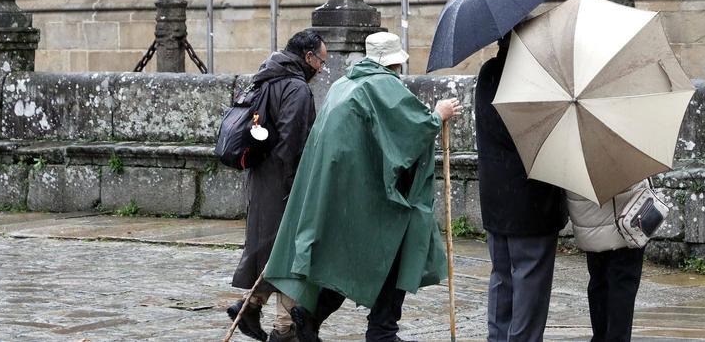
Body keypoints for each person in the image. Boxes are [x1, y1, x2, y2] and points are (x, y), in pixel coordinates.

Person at [263, 31, 463, 342]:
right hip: (369, 195)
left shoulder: (344, 84)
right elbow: (412, 129)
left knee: (346, 258)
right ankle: (382, 330)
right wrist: (439, 115)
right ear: (394, 64)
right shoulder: (383, 86)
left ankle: (310, 315)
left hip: (340, 192)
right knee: (391, 256)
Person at [227, 30, 329, 342]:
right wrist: (295, 189)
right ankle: (284, 328)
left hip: (262, 178)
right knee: (290, 254)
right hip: (284, 181)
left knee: (272, 250)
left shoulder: (267, 75)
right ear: (307, 57)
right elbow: (291, 144)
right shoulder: (296, 88)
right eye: (321, 61)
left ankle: (251, 306)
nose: (321, 68)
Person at [475, 35, 567, 342]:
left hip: (495, 200)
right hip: (532, 204)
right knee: (530, 286)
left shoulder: (488, 73)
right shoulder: (534, 79)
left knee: (502, 280)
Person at [567, 181, 649, 342]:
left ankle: (600, 337)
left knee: (599, 282)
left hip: (589, 223)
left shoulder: (572, 158)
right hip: (624, 220)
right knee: (622, 285)